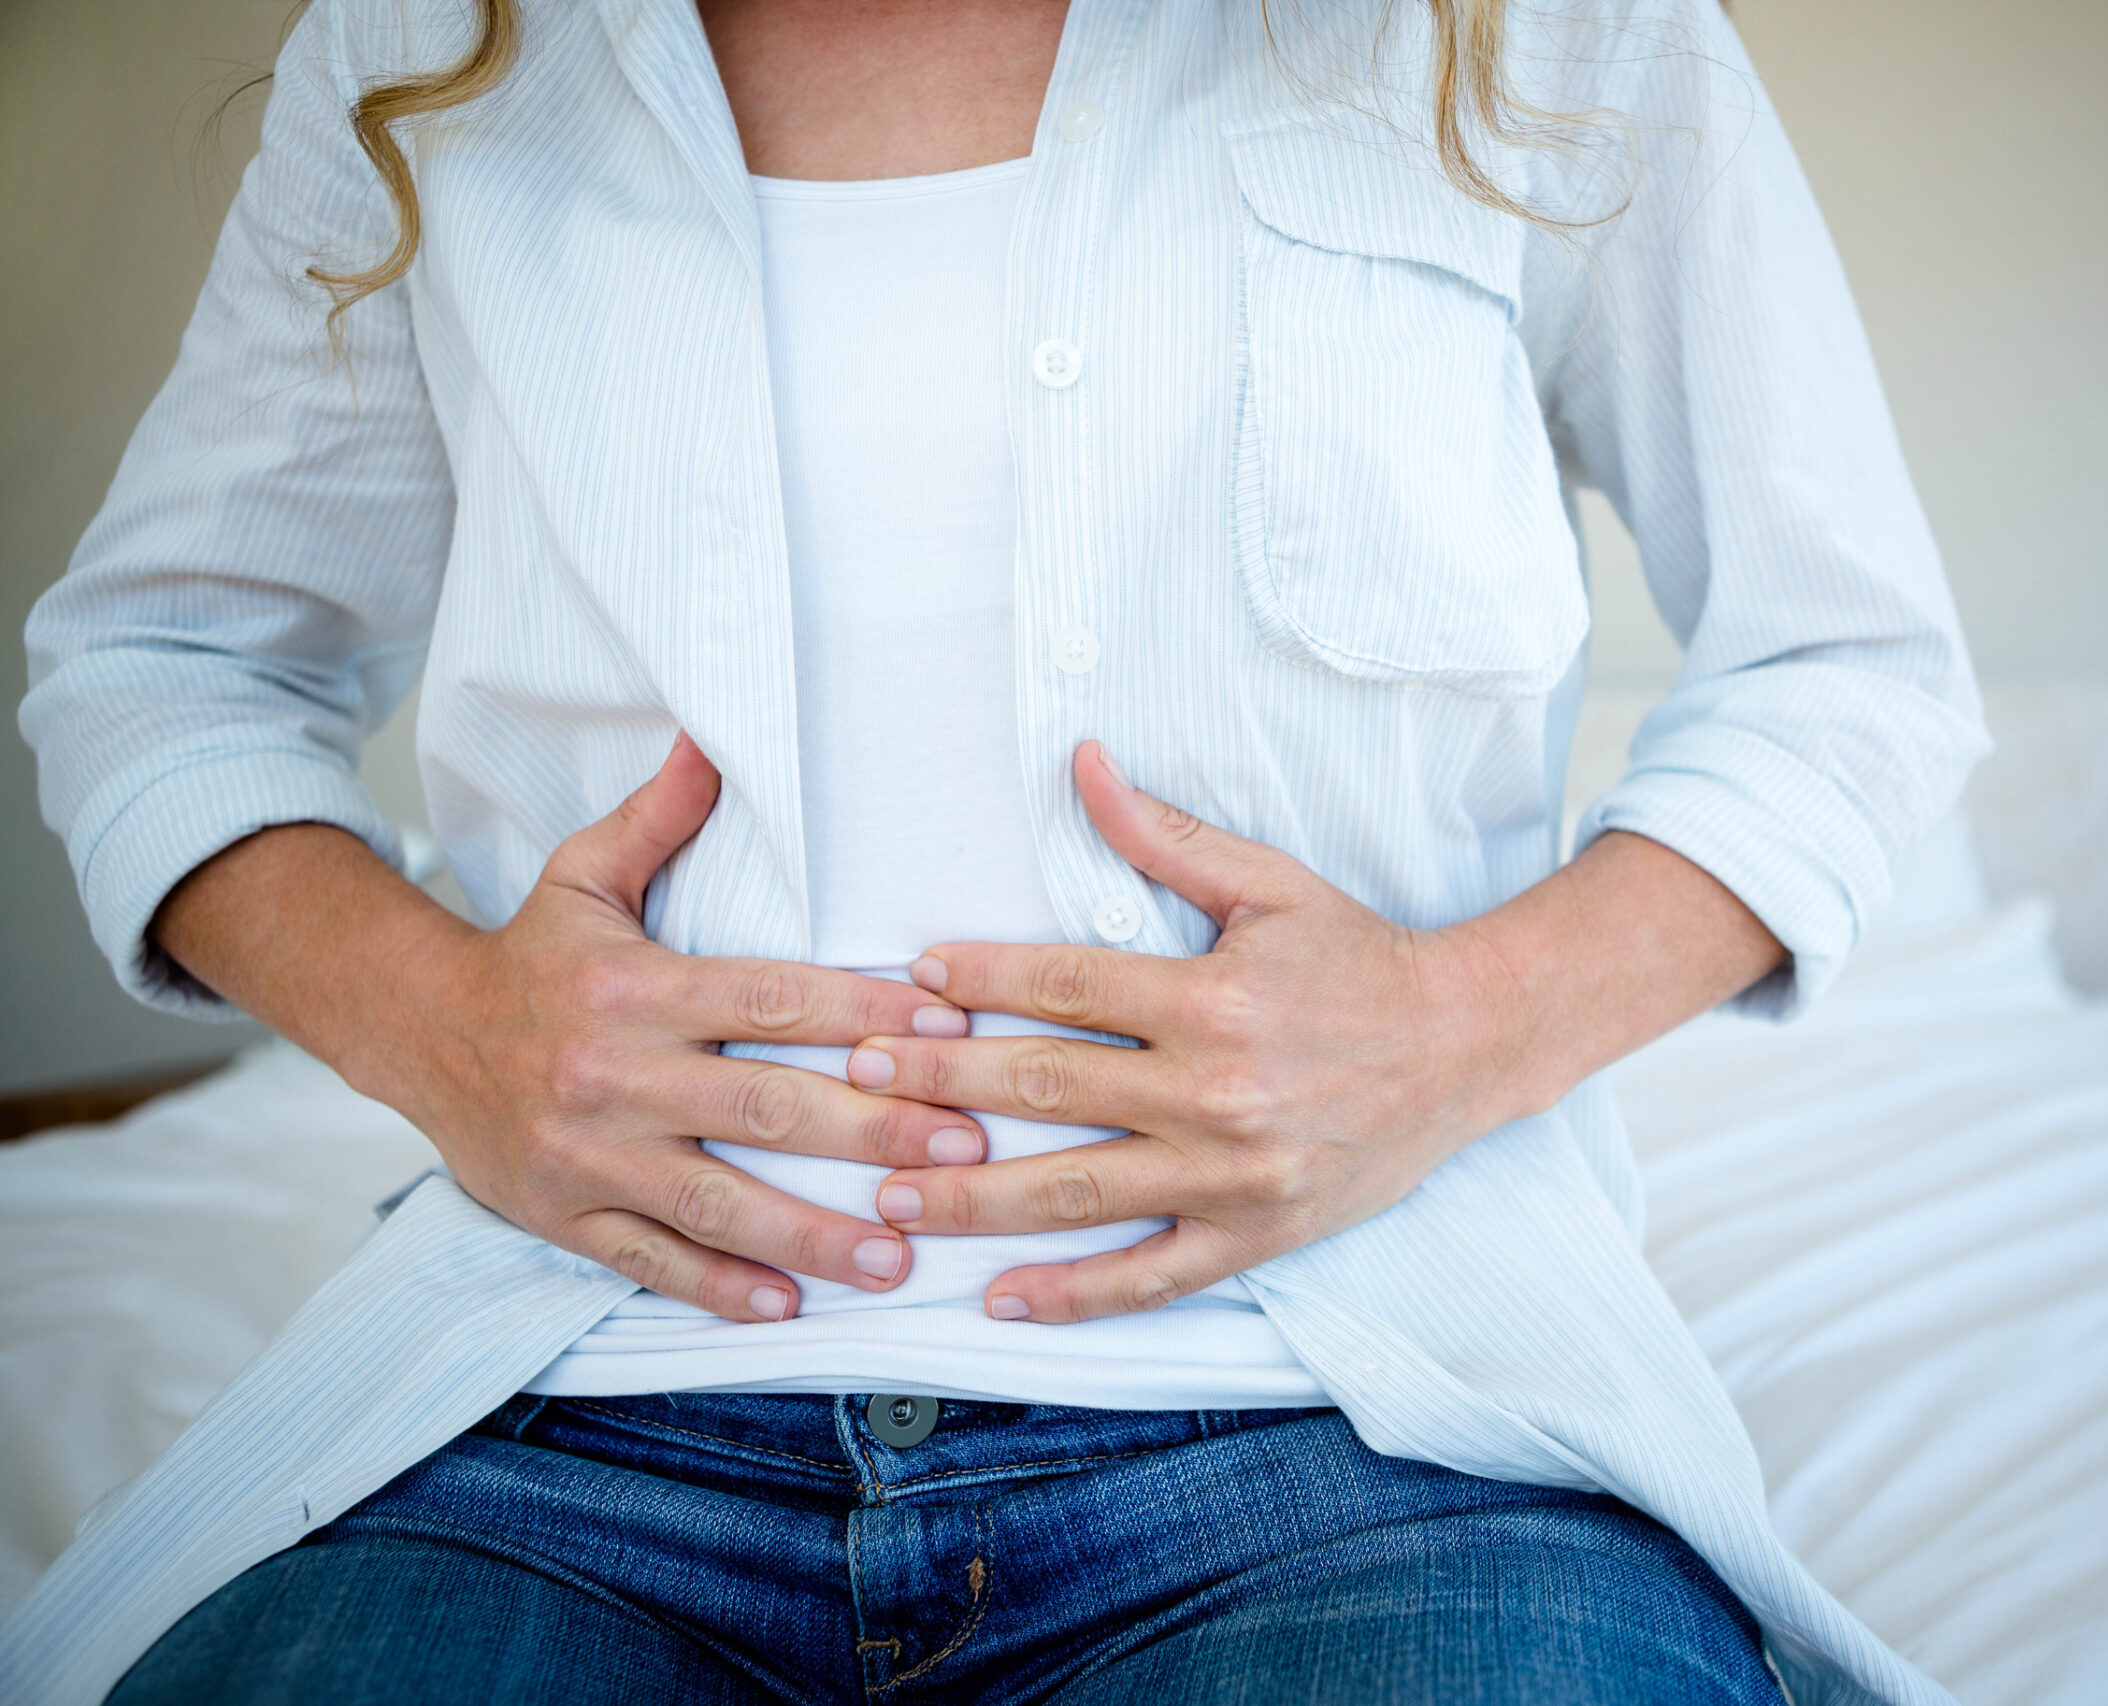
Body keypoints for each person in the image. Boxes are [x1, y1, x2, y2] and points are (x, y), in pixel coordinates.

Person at [9, 0, 1983, 1701]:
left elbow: (1846, 668)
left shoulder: (1542, 31)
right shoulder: (433, 47)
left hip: (1378, 1434)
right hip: (559, 1416)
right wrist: (448, 1021)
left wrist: (1442, 1034)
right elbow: (165, 665)